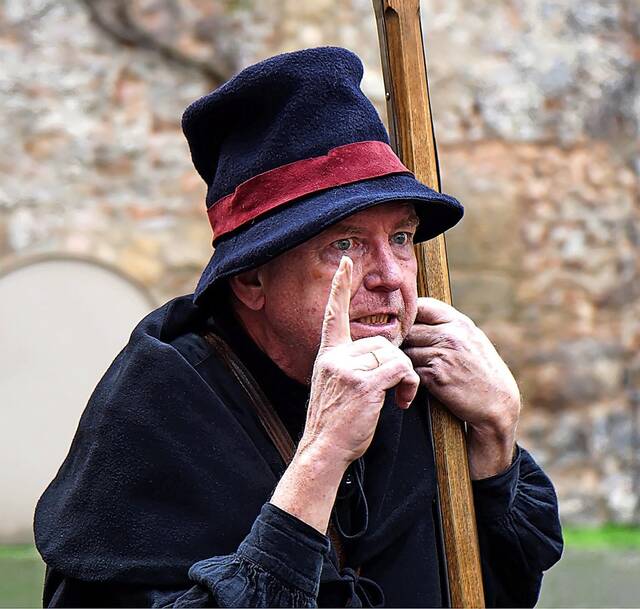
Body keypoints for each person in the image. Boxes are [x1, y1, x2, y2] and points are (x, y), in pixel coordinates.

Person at [34, 47, 562, 608]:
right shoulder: (161, 407)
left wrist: (496, 433)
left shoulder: (428, 385)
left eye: (401, 238)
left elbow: (499, 593)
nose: (390, 276)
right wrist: (322, 457)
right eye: (346, 244)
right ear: (251, 279)